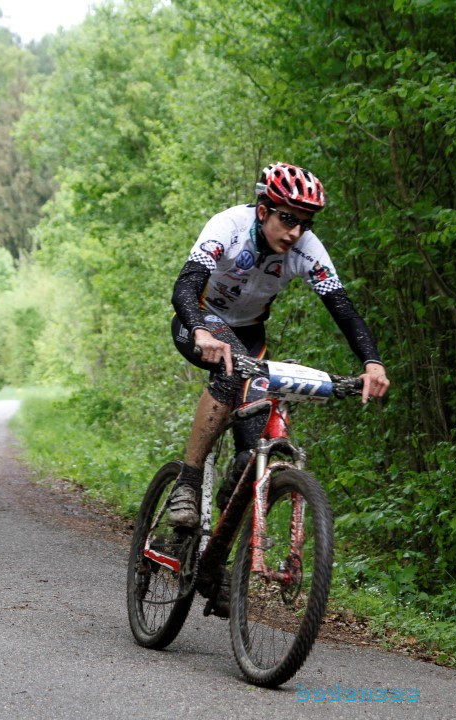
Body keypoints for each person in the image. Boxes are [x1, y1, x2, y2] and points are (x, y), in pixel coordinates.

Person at [167, 162, 390, 529]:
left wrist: (373, 363)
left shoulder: (306, 249)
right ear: (262, 211)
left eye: (304, 223)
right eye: (287, 219)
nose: (295, 232)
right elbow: (185, 287)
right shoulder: (229, 227)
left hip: (250, 335)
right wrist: (200, 332)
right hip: (201, 321)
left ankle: (218, 553)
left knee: (254, 455)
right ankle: (187, 484)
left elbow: (344, 310)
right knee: (230, 370)